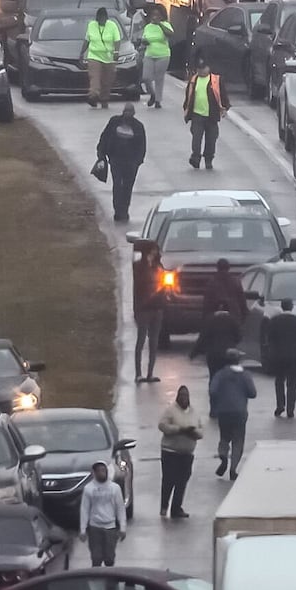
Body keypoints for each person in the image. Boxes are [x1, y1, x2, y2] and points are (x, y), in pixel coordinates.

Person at [208, 350, 257, 481]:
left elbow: (212, 390)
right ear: (238, 360)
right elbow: (253, 393)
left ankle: (223, 455)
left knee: (224, 437)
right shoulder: (245, 375)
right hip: (240, 411)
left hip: (223, 411)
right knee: (238, 441)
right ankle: (233, 469)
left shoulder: (220, 374)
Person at [157, 385, 203, 519]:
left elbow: (201, 431)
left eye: (186, 396)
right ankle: (164, 506)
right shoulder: (170, 410)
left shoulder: (194, 412)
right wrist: (179, 429)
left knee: (182, 481)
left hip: (187, 453)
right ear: (177, 397)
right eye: (181, 395)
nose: (184, 398)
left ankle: (176, 508)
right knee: (169, 480)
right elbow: (162, 425)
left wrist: (193, 432)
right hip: (170, 452)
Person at [96, 104, 146, 223]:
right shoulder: (114, 122)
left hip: (131, 162)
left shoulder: (138, 126)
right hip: (116, 159)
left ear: (133, 114)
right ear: (123, 112)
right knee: (117, 185)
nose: (127, 114)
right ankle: (118, 210)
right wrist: (101, 154)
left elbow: (142, 146)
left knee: (128, 187)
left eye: (130, 112)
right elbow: (104, 138)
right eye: (126, 111)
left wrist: (138, 161)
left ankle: (124, 210)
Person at [183, 60, 230, 169]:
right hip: (197, 115)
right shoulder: (193, 80)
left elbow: (223, 94)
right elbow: (188, 96)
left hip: (211, 116)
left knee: (211, 139)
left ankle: (208, 159)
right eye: (199, 69)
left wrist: (225, 107)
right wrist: (186, 110)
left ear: (208, 68)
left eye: (203, 68)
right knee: (196, 138)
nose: (201, 71)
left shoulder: (216, 80)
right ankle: (195, 157)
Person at [78, 460, 127, 566]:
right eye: (99, 471)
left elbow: (120, 508)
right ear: (94, 473)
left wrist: (123, 528)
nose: (101, 473)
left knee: (109, 558)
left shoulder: (114, 488)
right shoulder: (89, 489)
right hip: (95, 528)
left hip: (110, 528)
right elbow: (84, 509)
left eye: (103, 470)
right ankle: (97, 580)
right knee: (96, 558)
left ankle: (109, 581)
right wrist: (83, 530)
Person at [131, 240, 166, 383]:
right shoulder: (139, 266)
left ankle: (150, 373)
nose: (155, 253)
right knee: (141, 340)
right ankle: (138, 374)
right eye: (152, 251)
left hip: (157, 307)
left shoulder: (159, 267)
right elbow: (140, 283)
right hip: (143, 308)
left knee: (154, 341)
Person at [265, 298, 296, 418]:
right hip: (293, 356)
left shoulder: (274, 321)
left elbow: (270, 338)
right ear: (291, 307)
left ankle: (280, 405)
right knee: (292, 383)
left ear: (282, 306)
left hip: (278, 356)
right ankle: (290, 409)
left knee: (279, 381)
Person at [81, 7, 125, 108]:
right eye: (100, 18)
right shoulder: (92, 25)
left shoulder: (112, 25)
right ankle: (93, 96)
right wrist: (81, 53)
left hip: (108, 57)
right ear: (97, 18)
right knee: (94, 78)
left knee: (107, 81)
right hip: (94, 56)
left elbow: (117, 40)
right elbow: (87, 40)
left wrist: (116, 52)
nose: (102, 20)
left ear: (106, 18)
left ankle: (104, 99)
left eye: (104, 18)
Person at [139, 5, 174, 109]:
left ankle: (158, 101)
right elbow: (144, 39)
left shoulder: (165, 25)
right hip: (149, 54)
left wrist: (160, 24)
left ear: (161, 16)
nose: (155, 17)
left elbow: (170, 34)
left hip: (163, 55)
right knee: (146, 77)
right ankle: (152, 94)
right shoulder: (148, 27)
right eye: (153, 15)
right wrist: (144, 42)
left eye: (157, 15)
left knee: (159, 78)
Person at [196, 307, 242, 381]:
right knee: (230, 377)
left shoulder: (210, 319)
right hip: (229, 354)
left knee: (213, 376)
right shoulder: (233, 320)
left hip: (213, 355)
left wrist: (194, 352)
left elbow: (203, 337)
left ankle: (214, 389)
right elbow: (239, 337)